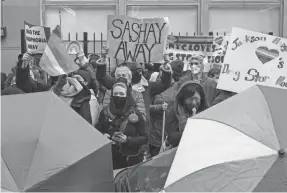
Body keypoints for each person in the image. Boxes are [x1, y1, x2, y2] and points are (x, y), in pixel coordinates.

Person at [95, 82, 148, 169]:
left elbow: (145, 138)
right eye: (115, 93)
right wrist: (103, 136)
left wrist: (127, 140)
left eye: (121, 94)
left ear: (127, 95)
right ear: (112, 95)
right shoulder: (104, 112)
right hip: (110, 159)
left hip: (131, 159)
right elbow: (98, 131)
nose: (118, 96)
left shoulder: (135, 114)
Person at [165, 81, 209, 148]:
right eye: (190, 99)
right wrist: (191, 129)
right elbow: (171, 137)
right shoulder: (174, 111)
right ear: (183, 99)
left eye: (196, 99)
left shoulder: (205, 111)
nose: (194, 102)